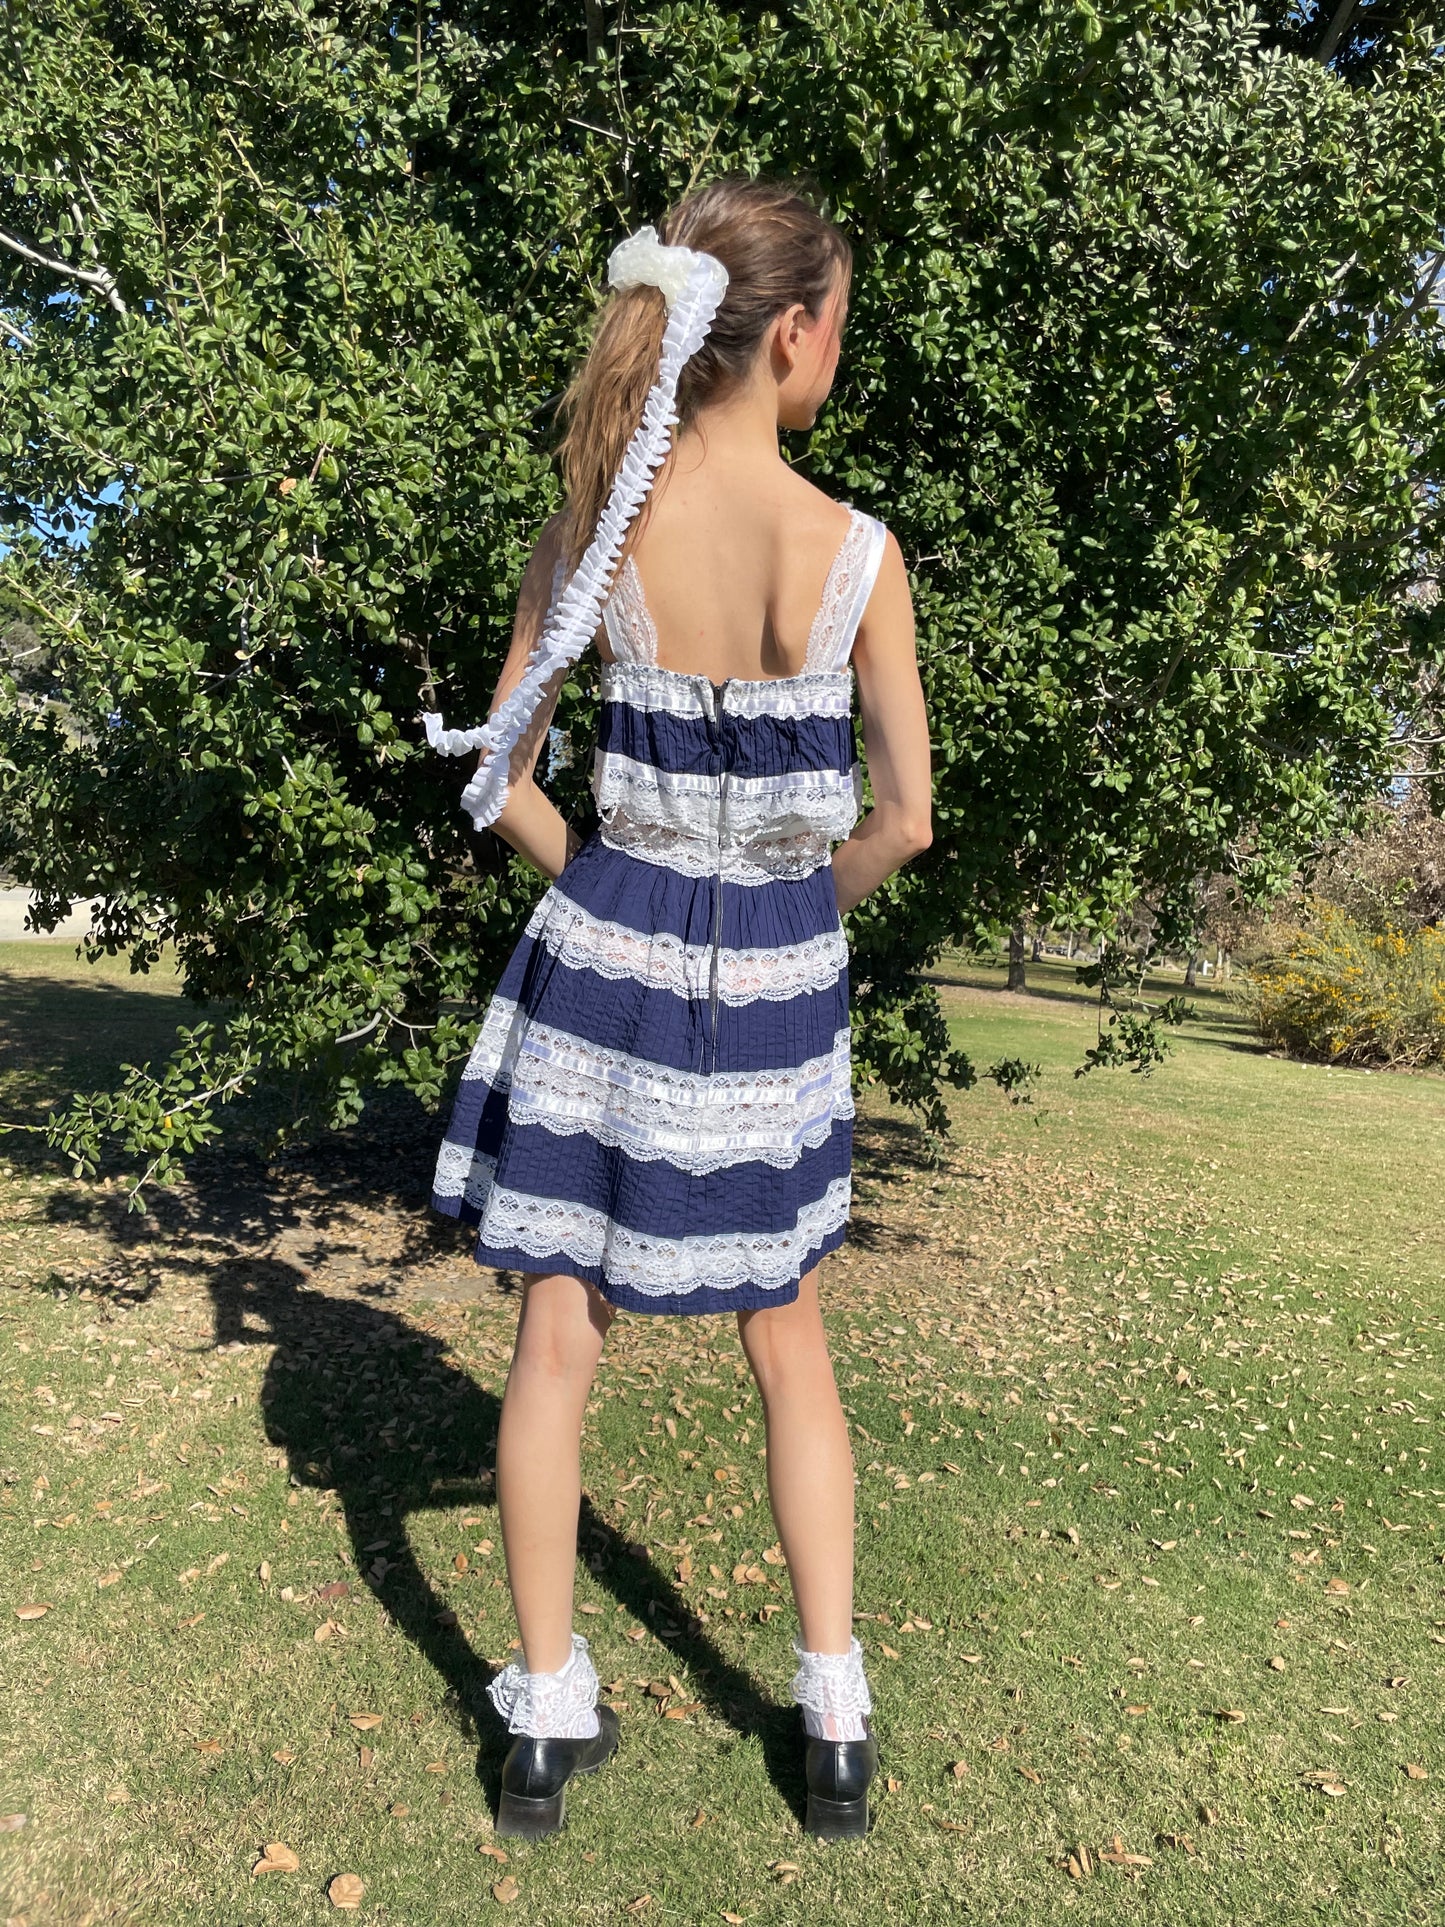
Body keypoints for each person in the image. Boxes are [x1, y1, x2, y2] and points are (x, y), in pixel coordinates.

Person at [423, 175, 933, 1841]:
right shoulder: (859, 555)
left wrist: (606, 888)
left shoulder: (589, 528)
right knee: (785, 1336)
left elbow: (495, 775)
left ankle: (544, 1722)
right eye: (837, 326)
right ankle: (834, 1713)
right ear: (790, 335)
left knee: (556, 1337)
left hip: (600, 962)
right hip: (776, 987)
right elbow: (905, 819)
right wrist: (786, 919)